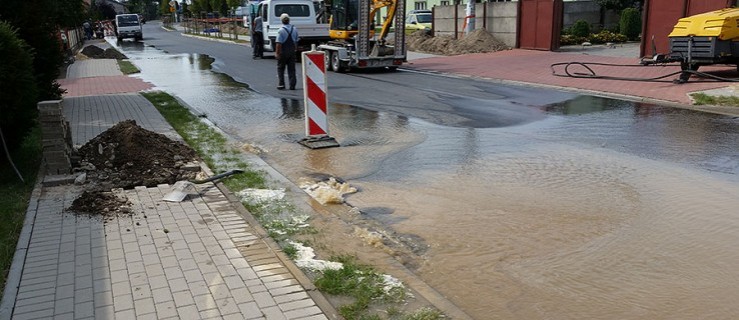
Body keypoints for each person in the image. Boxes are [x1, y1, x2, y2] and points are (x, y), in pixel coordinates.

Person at [275, 13, 298, 90]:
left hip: (283, 52)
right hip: (291, 51)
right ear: (289, 20)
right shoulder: (294, 29)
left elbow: (279, 43)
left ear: (281, 21)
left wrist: (277, 53)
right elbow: (295, 41)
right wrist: (295, 50)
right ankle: (292, 85)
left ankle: (281, 84)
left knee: (281, 68)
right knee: (292, 69)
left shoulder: (281, 30)